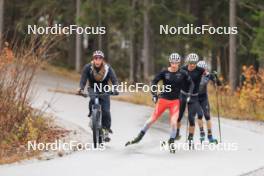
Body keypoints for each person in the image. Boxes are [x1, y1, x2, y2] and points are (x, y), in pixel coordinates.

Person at [125, 53, 194, 153]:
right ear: (170, 62)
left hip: (175, 102)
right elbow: (153, 82)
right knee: (152, 119)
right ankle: (139, 137)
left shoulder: (183, 73)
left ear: (179, 63)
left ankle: (171, 141)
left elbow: (191, 83)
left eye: (176, 62)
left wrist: (189, 94)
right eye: (172, 62)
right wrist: (154, 94)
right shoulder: (164, 72)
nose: (174, 64)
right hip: (163, 100)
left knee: (174, 122)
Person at [78, 50, 119, 142]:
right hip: (92, 88)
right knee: (92, 98)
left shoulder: (108, 68)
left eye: (100, 58)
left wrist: (115, 88)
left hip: (104, 89)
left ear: (102, 60)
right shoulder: (88, 67)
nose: (97, 60)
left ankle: (106, 130)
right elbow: (83, 80)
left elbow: (115, 80)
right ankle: (92, 115)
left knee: (106, 111)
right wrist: (80, 88)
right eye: (96, 58)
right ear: (93, 59)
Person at [176, 53, 206, 149]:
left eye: (194, 63)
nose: (192, 65)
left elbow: (208, 74)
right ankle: (176, 132)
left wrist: (213, 76)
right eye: (191, 63)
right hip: (183, 94)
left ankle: (190, 138)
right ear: (188, 62)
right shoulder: (183, 69)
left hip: (194, 97)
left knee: (191, 118)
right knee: (179, 116)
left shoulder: (200, 70)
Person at [196, 60, 221, 143]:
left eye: (204, 69)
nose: (203, 71)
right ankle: (202, 133)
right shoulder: (194, 75)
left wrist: (216, 78)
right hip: (195, 98)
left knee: (207, 116)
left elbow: (218, 84)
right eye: (200, 69)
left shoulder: (208, 75)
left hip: (204, 97)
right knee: (199, 115)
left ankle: (210, 136)